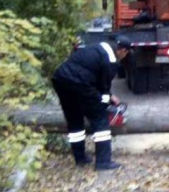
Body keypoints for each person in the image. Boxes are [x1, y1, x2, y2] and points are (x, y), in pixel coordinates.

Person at [52, 37, 131, 170]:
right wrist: (106, 101)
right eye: (126, 53)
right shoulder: (111, 60)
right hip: (80, 84)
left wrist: (110, 96)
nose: (125, 56)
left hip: (61, 80)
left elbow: (94, 77)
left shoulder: (98, 46)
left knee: (74, 119)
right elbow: (102, 88)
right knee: (100, 119)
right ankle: (103, 162)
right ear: (122, 50)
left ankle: (80, 159)